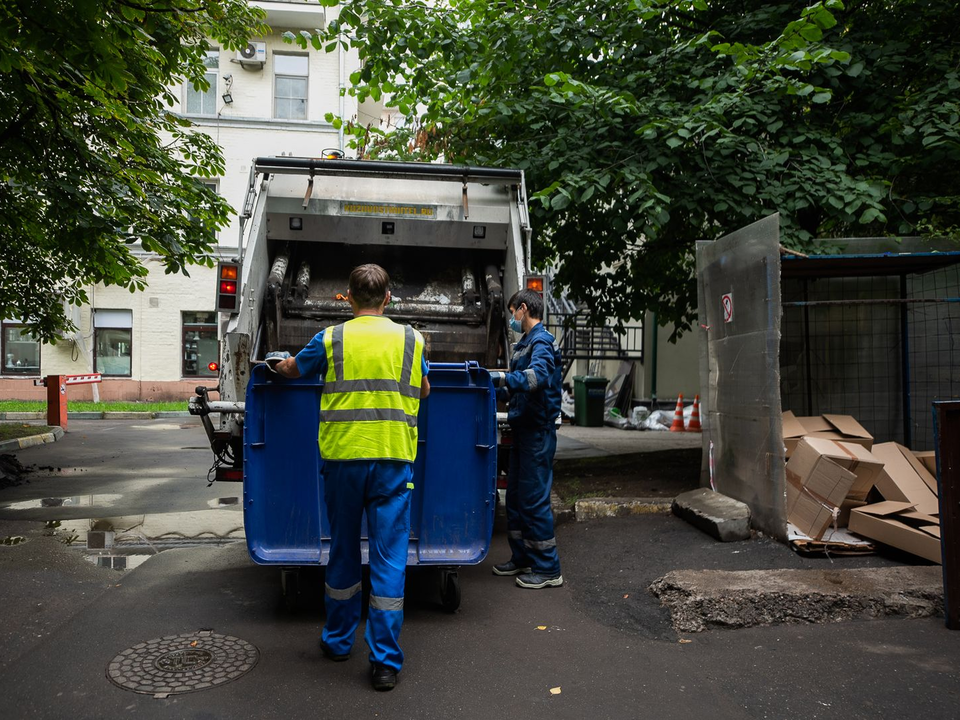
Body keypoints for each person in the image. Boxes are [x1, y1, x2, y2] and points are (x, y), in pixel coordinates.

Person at [266, 263, 430, 692]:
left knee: (342, 551)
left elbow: (293, 370)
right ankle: (385, 663)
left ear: (349, 297)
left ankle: (338, 642)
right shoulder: (412, 338)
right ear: (388, 298)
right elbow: (425, 389)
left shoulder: (332, 338)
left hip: (343, 460)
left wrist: (276, 365)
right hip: (394, 460)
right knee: (389, 559)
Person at [489, 288, 563, 589]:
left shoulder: (541, 342)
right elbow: (517, 386)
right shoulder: (525, 344)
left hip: (537, 432)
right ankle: (522, 557)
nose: (511, 319)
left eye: (512, 313)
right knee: (517, 498)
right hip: (524, 430)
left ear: (522, 309)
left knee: (533, 499)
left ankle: (548, 569)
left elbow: (537, 378)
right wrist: (492, 387)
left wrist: (503, 378)